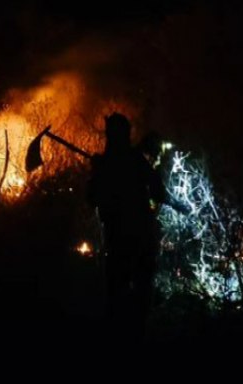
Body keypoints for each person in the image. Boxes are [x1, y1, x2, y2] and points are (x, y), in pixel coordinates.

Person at [88, 113, 166, 341]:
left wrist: (99, 171)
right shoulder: (134, 160)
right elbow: (158, 191)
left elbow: (92, 198)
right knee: (139, 292)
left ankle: (123, 334)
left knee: (119, 291)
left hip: (121, 237)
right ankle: (135, 333)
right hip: (139, 235)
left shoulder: (108, 163)